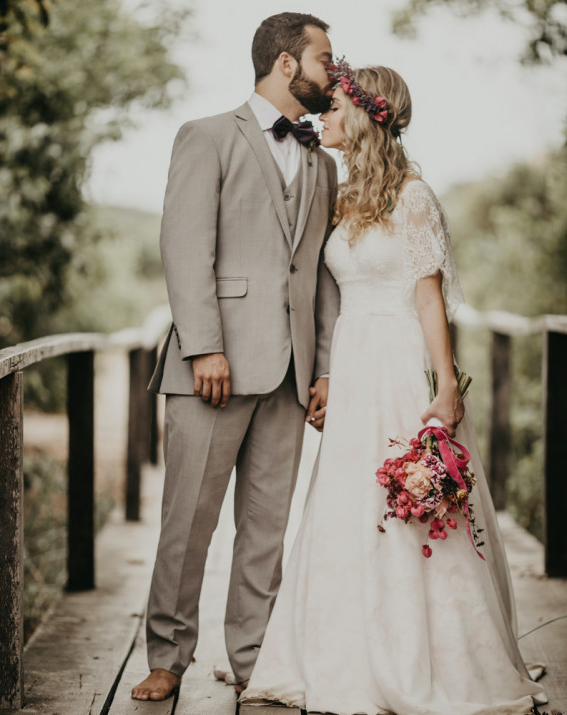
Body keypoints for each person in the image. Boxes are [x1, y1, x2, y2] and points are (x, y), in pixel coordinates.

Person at [241, 63, 548, 714]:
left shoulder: (412, 194)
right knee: (346, 502)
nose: (322, 116)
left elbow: (428, 295)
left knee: (410, 504)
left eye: (332, 108)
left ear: (365, 114)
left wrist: (445, 387)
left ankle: (423, 656)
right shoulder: (345, 191)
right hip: (352, 364)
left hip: (399, 362)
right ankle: (338, 650)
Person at [131, 13, 340, 702]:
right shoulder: (207, 136)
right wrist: (205, 346)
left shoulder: (322, 162)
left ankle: (253, 655)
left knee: (265, 526)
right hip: (209, 368)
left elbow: (320, 275)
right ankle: (168, 653)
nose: (332, 73)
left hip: (289, 371)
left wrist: (325, 368)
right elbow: (184, 246)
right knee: (187, 520)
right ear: (286, 63)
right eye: (324, 60)